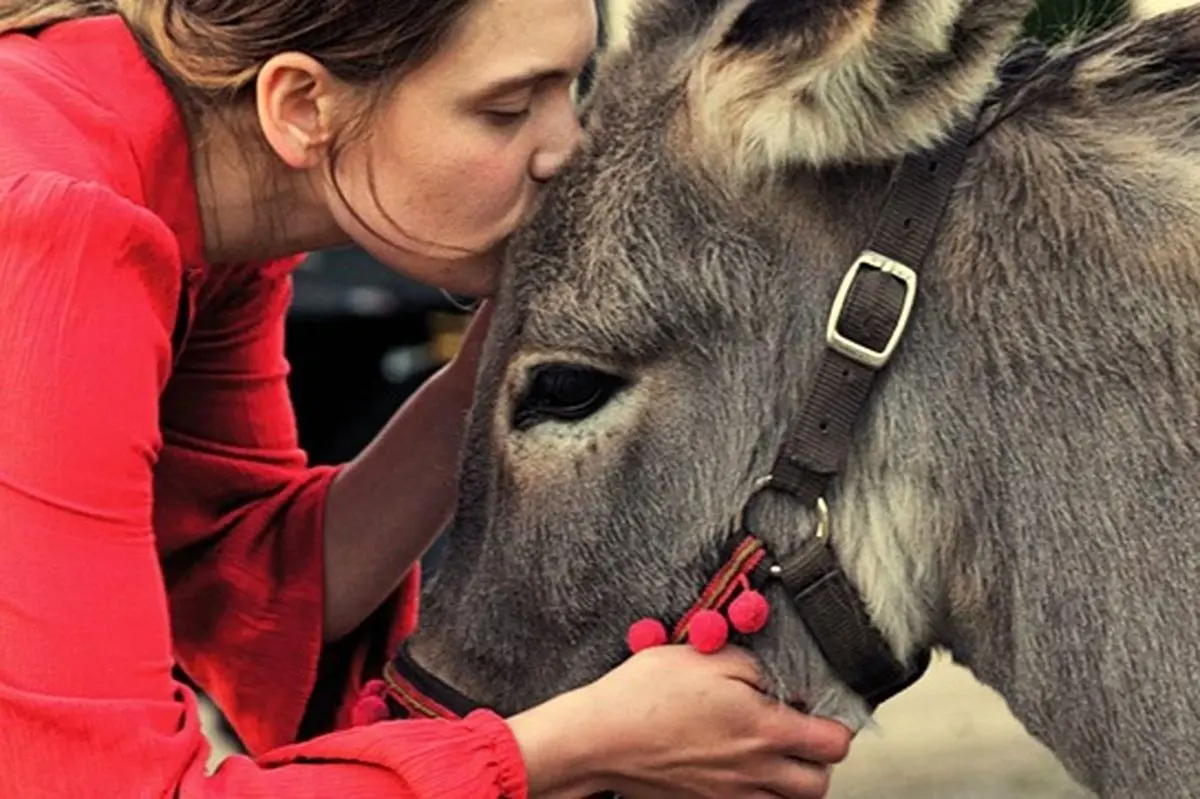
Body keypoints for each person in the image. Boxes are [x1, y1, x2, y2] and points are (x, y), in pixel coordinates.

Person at [0, 1, 855, 797]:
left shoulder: (190, 191)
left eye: (572, 87)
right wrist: (567, 746)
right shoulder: (48, 241)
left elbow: (240, 576)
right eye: (508, 109)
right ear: (301, 107)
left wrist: (503, 365)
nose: (568, 152)